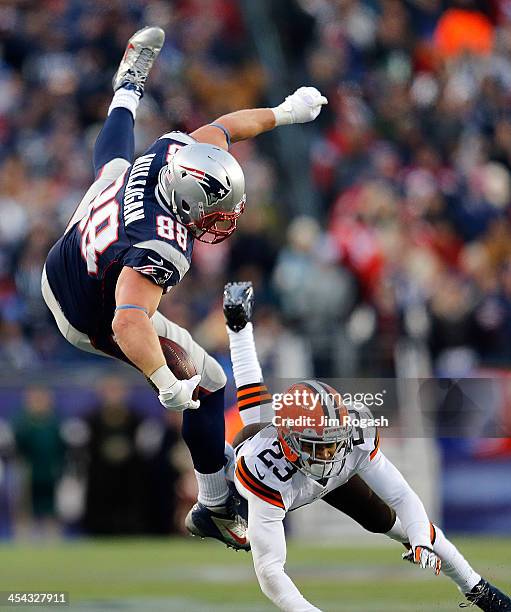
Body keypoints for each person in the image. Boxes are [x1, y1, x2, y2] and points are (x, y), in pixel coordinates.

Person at [41, 26, 328, 549]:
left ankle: (127, 86)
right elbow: (125, 321)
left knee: (114, 169)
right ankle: (216, 505)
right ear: (192, 202)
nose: (225, 221)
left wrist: (285, 112)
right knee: (210, 383)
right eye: (218, 212)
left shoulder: (172, 153)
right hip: (86, 308)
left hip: (76, 250)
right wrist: (166, 383)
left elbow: (225, 127)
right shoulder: (164, 245)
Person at [217, 281, 511, 612]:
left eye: (332, 443)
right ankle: (210, 503)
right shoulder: (263, 463)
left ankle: (477, 588)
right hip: (282, 484)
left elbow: (401, 495)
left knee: (399, 525)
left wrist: (418, 541)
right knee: (243, 424)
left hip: (324, 479)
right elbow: (270, 572)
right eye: (319, 446)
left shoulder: (352, 433)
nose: (329, 453)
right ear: (289, 443)